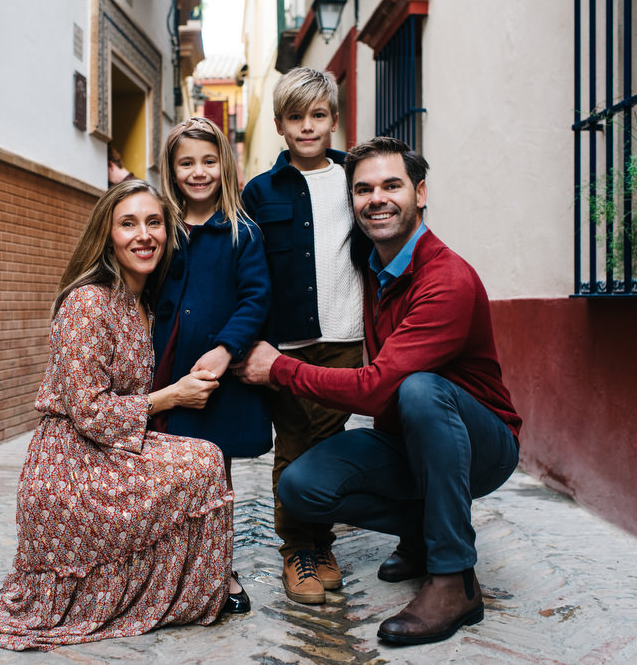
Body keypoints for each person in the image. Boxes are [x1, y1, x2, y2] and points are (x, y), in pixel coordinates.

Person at [0, 180, 241, 651]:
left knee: (207, 457)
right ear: (107, 234)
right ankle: (178, 593)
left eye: (153, 222)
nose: (143, 235)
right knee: (203, 461)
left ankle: (178, 591)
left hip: (110, 448)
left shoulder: (143, 301)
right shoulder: (88, 302)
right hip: (71, 462)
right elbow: (88, 410)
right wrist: (172, 396)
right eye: (128, 223)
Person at [234, 137, 522, 645]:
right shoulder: (370, 267)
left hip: (482, 444)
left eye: (392, 185)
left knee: (419, 391)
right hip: (407, 439)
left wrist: (279, 368)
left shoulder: (446, 278)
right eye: (363, 189)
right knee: (300, 486)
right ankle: (422, 533)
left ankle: (454, 578)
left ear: (420, 193)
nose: (377, 199)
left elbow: (376, 390)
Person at [240, 68, 367, 605]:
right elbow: (248, 269)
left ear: (334, 119)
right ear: (279, 125)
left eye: (318, 115)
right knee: (293, 446)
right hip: (284, 346)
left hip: (346, 338)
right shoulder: (259, 191)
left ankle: (321, 540)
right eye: (296, 117)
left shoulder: (355, 177)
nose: (308, 127)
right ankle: (298, 550)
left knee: (329, 446)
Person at [151, 116, 272, 613]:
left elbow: (256, 298)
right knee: (164, 469)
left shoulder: (243, 231)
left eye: (208, 161)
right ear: (171, 169)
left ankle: (218, 567)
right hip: (165, 367)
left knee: (213, 473)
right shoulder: (160, 227)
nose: (198, 172)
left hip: (215, 377)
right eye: (186, 163)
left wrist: (226, 350)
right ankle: (167, 567)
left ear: (224, 165)